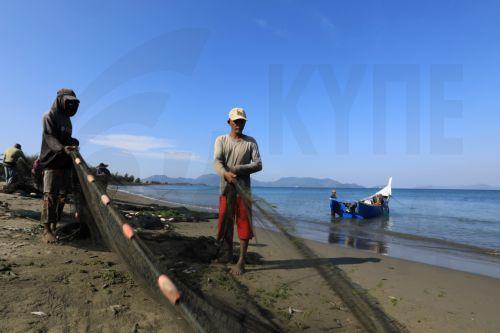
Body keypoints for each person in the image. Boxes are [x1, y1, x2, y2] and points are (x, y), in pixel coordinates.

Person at [213, 107, 262, 275]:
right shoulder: (221, 140)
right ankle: (225, 256)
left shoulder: (251, 142)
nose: (239, 124)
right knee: (224, 225)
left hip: (243, 192)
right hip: (226, 190)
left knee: (244, 225)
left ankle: (241, 261)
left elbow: (258, 164)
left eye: (242, 121)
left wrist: (238, 169)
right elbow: (217, 162)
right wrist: (225, 174)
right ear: (229, 122)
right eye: (236, 121)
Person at [38, 88, 80, 243]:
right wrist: (61, 148)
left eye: (73, 103)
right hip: (51, 162)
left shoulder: (67, 120)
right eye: (68, 101)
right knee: (50, 195)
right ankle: (46, 229)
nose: (71, 105)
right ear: (60, 99)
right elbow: (50, 136)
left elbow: (66, 138)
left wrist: (73, 142)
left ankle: (55, 224)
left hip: (65, 163)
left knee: (62, 196)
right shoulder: (49, 115)